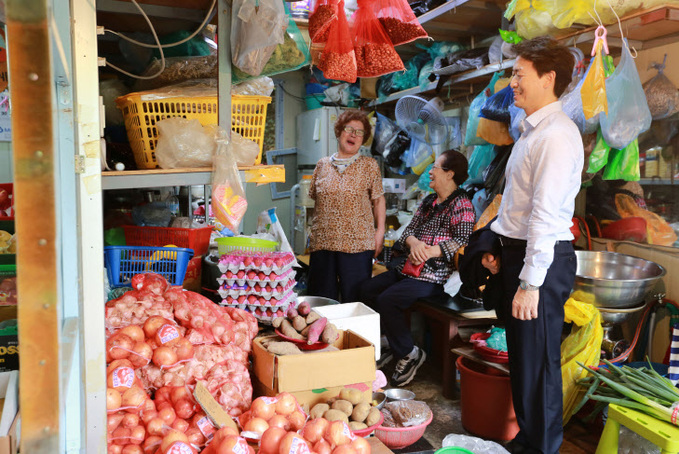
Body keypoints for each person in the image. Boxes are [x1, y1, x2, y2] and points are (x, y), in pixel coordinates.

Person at [481, 36, 583, 454]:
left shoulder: (556, 136)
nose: (512, 82)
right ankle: (528, 441)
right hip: (520, 254)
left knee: (538, 366)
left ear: (548, 78)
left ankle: (542, 448)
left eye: (519, 74)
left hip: (540, 262)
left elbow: (545, 215)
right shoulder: (529, 130)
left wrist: (530, 282)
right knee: (524, 362)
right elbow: (520, 206)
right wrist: (496, 245)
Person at [360, 150, 475, 387]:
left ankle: (409, 353)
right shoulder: (428, 201)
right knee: (366, 290)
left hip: (434, 278)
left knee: (389, 299)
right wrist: (414, 243)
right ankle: (390, 342)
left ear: (450, 174)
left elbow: (464, 240)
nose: (430, 172)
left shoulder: (461, 204)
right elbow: (408, 232)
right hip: (409, 268)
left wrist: (430, 251)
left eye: (435, 167)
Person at [307, 110, 386, 303]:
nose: (353, 135)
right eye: (349, 129)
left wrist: (380, 232)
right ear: (339, 132)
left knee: (355, 300)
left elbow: (378, 200)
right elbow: (315, 202)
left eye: (359, 132)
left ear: (363, 139)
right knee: (321, 300)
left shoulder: (369, 165)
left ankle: (352, 334)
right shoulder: (322, 165)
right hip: (323, 243)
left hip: (357, 244)